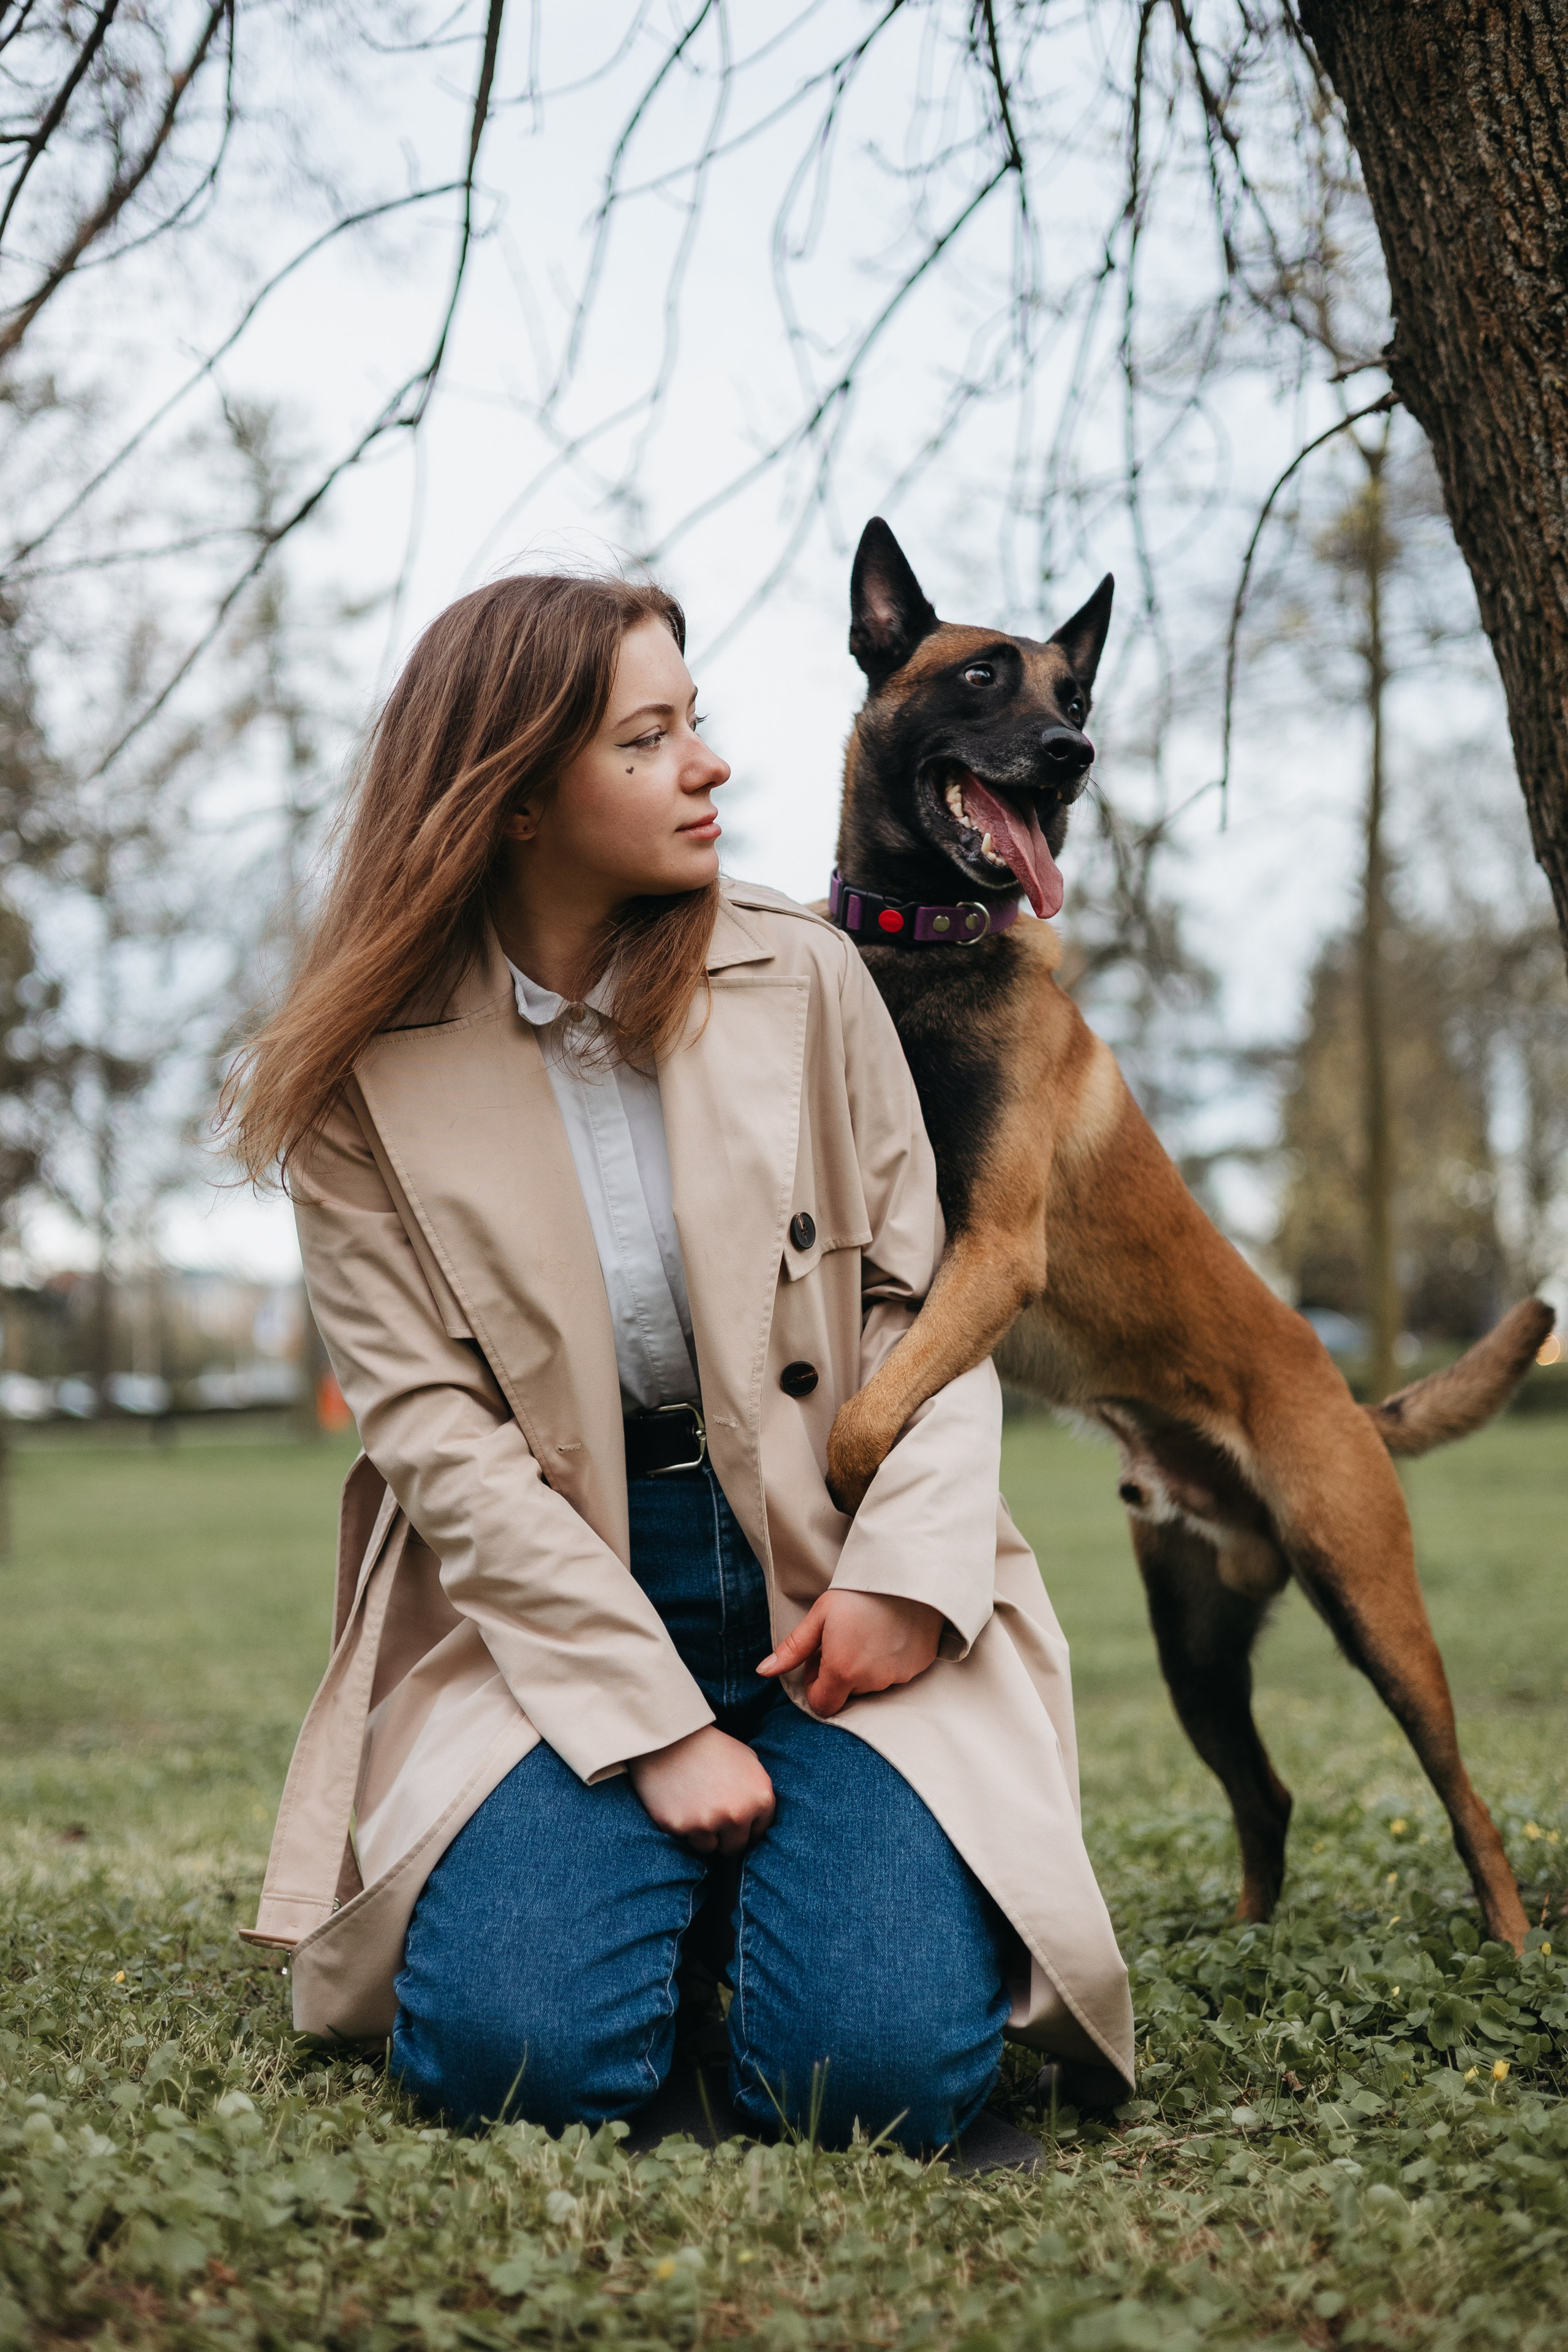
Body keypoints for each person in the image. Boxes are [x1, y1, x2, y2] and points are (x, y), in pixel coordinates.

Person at [228, 571, 1133, 2153]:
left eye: (694, 724)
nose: (710, 766)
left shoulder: (807, 974)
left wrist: (908, 1577)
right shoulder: (355, 1076)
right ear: (511, 794)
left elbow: (921, 1315)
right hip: (556, 1605)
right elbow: (438, 1440)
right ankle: (681, 1875)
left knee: (881, 2083)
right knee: (516, 2063)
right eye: (649, 741)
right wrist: (652, 1725)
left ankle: (794, 1888)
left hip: (833, 1568)